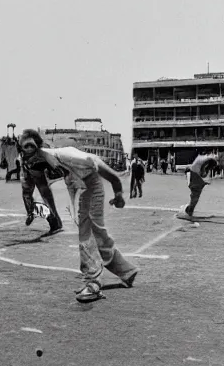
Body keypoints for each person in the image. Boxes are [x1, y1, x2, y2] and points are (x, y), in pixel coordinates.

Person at [19, 129, 139, 303]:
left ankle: (93, 283)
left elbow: (99, 166)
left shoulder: (65, 155)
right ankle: (126, 271)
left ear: (39, 147)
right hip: (81, 187)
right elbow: (62, 184)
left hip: (91, 184)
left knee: (86, 234)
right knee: (96, 233)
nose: (26, 153)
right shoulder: (42, 163)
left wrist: (118, 192)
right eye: (23, 149)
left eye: (29, 147)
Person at [17, 133, 65, 234]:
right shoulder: (22, 154)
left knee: (47, 199)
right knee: (27, 196)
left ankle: (55, 222)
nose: (29, 148)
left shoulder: (41, 153)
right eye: (27, 146)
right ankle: (31, 213)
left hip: (39, 176)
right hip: (27, 174)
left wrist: (57, 168)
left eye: (31, 146)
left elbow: (51, 159)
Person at [177, 154, 218, 220]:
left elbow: (202, 172)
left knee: (195, 195)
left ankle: (188, 210)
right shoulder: (208, 160)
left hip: (193, 174)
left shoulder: (206, 158)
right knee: (195, 195)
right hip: (194, 175)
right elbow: (203, 171)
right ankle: (188, 210)